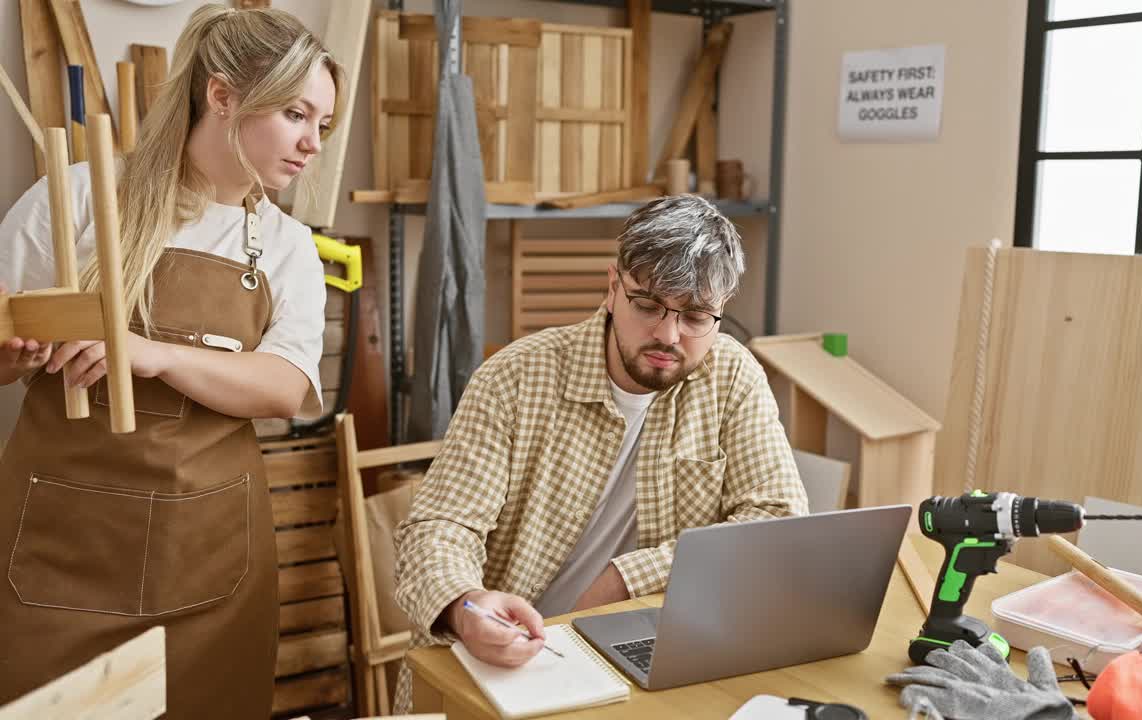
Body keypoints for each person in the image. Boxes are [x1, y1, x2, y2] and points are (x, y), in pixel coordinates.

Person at [0, 5, 341, 716]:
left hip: (207, 553)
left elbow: (285, 386)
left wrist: (153, 355)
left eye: (323, 125)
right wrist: (12, 349)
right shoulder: (83, 198)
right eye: (297, 115)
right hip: (61, 555)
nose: (313, 144)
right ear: (222, 96)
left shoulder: (285, 246)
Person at [393, 194, 809, 710]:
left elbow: (776, 525)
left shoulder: (733, 376)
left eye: (696, 316)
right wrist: (464, 605)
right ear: (613, 287)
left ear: (720, 316)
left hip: (645, 654)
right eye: (648, 305)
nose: (667, 333)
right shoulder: (516, 378)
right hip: (507, 660)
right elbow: (438, 528)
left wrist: (625, 578)